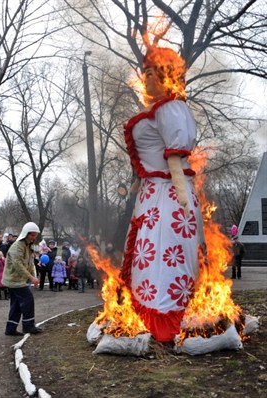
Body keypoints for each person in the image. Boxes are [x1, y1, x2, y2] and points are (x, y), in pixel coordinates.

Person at [120, 46, 204, 343]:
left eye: (151, 73)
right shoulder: (160, 109)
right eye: (144, 73)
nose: (146, 79)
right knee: (148, 256)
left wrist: (181, 196)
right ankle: (143, 313)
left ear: (166, 76)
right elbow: (150, 162)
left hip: (169, 198)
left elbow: (174, 158)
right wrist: (135, 187)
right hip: (152, 196)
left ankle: (166, 319)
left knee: (165, 256)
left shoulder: (172, 107)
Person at [2, 222, 41, 336]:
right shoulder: (17, 246)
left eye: (35, 235)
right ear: (26, 234)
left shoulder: (28, 246)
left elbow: (29, 263)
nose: (34, 238)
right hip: (15, 280)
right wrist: (31, 278)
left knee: (17, 304)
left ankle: (10, 329)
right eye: (32, 235)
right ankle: (28, 326)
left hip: (20, 280)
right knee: (28, 300)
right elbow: (18, 265)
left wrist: (33, 277)